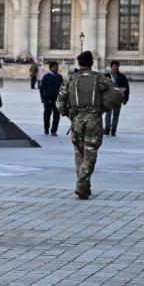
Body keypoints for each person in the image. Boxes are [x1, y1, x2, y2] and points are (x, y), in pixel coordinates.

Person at [56, 51, 114, 200]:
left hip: (76, 120)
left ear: (79, 63)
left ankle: (83, 187)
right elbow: (117, 95)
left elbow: (60, 103)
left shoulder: (71, 79)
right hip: (94, 119)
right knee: (90, 153)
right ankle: (82, 184)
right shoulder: (100, 78)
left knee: (79, 153)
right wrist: (104, 108)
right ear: (91, 63)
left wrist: (69, 114)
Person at [104, 61, 130, 136]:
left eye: (117, 66)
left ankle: (113, 130)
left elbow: (127, 88)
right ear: (111, 67)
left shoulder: (122, 76)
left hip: (118, 99)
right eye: (114, 66)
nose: (116, 67)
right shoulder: (105, 76)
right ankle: (107, 129)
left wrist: (125, 99)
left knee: (116, 115)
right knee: (108, 115)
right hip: (108, 99)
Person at [39, 61, 63, 136]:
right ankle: (46, 128)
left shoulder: (60, 77)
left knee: (56, 116)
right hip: (48, 99)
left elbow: (63, 88)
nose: (57, 69)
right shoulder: (46, 76)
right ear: (51, 68)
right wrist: (42, 97)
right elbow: (41, 88)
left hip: (57, 99)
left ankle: (54, 130)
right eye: (55, 67)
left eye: (57, 67)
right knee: (47, 115)